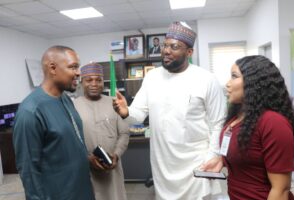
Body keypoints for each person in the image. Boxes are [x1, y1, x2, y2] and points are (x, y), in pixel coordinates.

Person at [113, 21, 227, 199]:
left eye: (174, 47)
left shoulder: (206, 79)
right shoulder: (152, 77)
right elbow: (139, 113)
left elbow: (218, 123)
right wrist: (126, 112)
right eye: (165, 45)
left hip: (197, 162)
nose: (166, 50)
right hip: (163, 163)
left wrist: (212, 156)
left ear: (189, 52)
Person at [13, 46, 95, 200]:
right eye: (73, 67)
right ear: (52, 68)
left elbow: (67, 142)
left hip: (82, 189)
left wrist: (87, 158)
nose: (79, 73)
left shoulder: (65, 98)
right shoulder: (30, 111)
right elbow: (28, 169)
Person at [220, 55, 294, 200]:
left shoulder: (272, 123)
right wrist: (220, 160)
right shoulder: (236, 118)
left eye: (234, 76)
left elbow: (280, 190)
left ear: (254, 82)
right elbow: (245, 157)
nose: (228, 84)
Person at [74, 63, 129, 200]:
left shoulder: (114, 103)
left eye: (98, 80)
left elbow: (124, 133)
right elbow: (70, 139)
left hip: (112, 167)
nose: (94, 84)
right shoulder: (72, 106)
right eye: (89, 80)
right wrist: (86, 157)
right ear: (81, 82)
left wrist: (116, 155)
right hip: (86, 168)